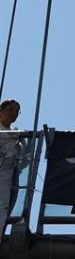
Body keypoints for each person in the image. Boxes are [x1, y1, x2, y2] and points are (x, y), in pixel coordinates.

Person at [0, 100, 21, 241]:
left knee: (4, 207)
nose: (14, 113)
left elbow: (24, 157)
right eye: (10, 109)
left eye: (16, 111)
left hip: (9, 176)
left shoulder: (18, 135)